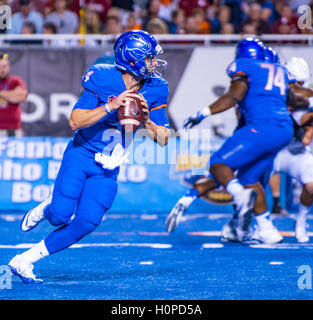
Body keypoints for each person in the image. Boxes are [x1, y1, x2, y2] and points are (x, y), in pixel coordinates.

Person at [8, 30, 171, 284]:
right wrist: (111, 106)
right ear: (133, 59)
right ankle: (48, 207)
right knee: (61, 215)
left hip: (109, 165)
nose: (154, 63)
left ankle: (24, 260)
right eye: (149, 58)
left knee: (87, 221)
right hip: (82, 154)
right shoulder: (104, 78)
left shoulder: (156, 89)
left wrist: (147, 121)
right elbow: (75, 121)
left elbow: (164, 138)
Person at [166, 39, 306, 244]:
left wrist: (203, 113)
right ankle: (267, 230)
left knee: (218, 164)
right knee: (250, 180)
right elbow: (298, 97)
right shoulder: (279, 73)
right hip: (283, 133)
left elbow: (235, 95)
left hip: (262, 129)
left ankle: (240, 212)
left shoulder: (247, 68)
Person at [271, 57, 313, 242]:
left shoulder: (309, 99)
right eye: (293, 83)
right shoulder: (274, 96)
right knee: (248, 182)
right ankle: (244, 224)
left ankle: (301, 221)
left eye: (300, 83)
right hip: (273, 149)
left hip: (297, 151)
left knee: (312, 185)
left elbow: (305, 139)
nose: (296, 87)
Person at [0, 53, 28, 137]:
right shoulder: (15, 85)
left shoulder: (16, 81)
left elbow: (22, 96)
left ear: (9, 67)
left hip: (14, 131)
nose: (2, 70)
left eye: (4, 67)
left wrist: (2, 95)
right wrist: (12, 95)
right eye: (0, 67)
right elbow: (16, 96)